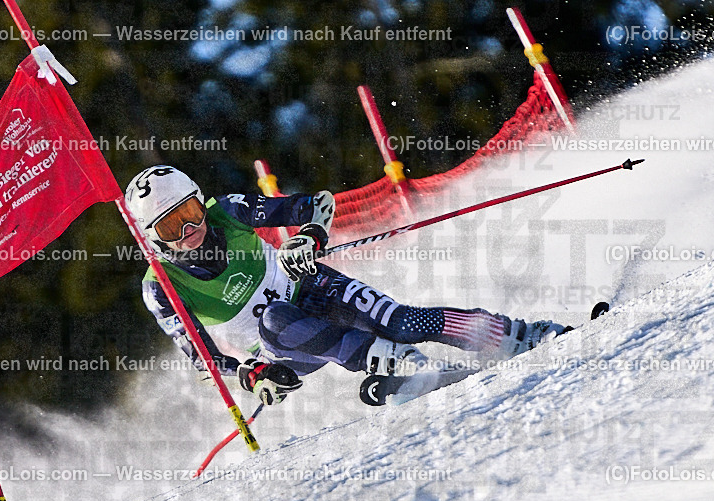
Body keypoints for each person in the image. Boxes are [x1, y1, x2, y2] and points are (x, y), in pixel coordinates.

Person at [124, 165, 566, 406]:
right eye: (171, 226)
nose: (189, 231)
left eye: (190, 214)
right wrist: (249, 375)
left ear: (202, 203)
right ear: (151, 237)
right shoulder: (161, 286)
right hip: (281, 350)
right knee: (276, 318)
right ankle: (395, 362)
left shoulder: (230, 211)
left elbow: (315, 204)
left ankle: (513, 335)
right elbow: (204, 360)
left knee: (401, 320)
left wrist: (309, 236)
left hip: (315, 287)